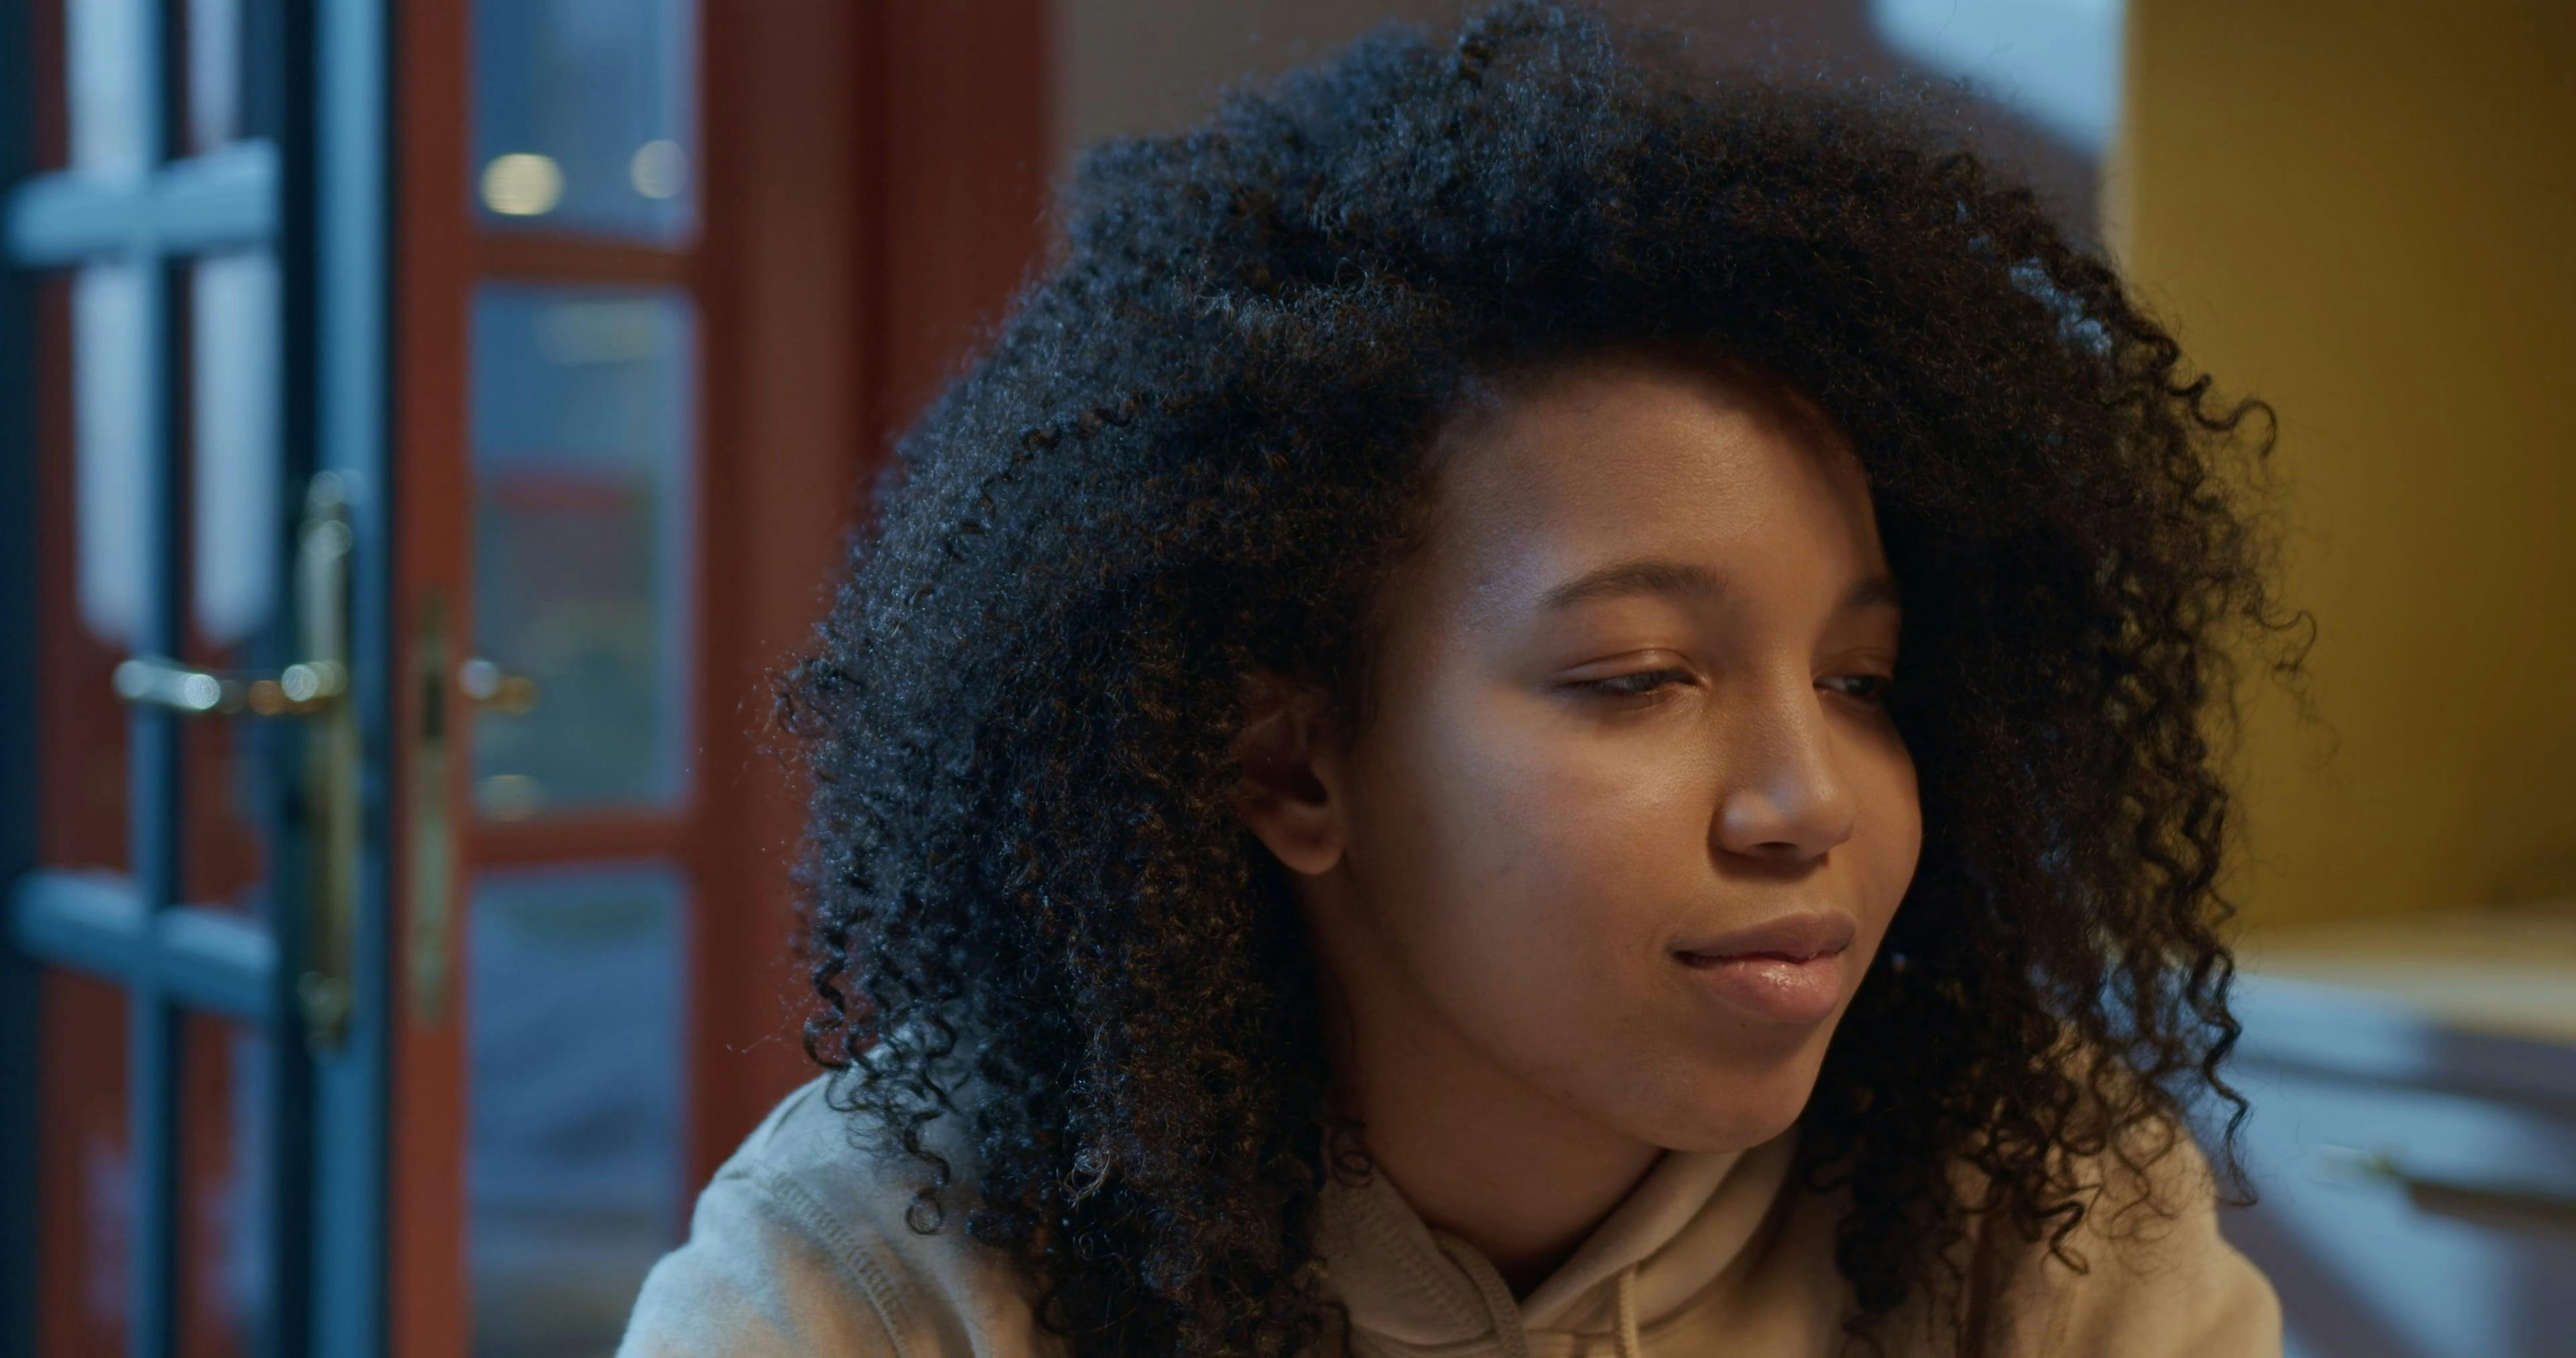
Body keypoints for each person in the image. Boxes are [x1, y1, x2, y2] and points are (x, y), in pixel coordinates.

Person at [619, 1, 2306, 1353]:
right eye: (1642, 675)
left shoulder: (2034, 1209)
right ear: (1290, 766)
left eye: (1862, 679)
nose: (1808, 801)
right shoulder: (884, 1273)